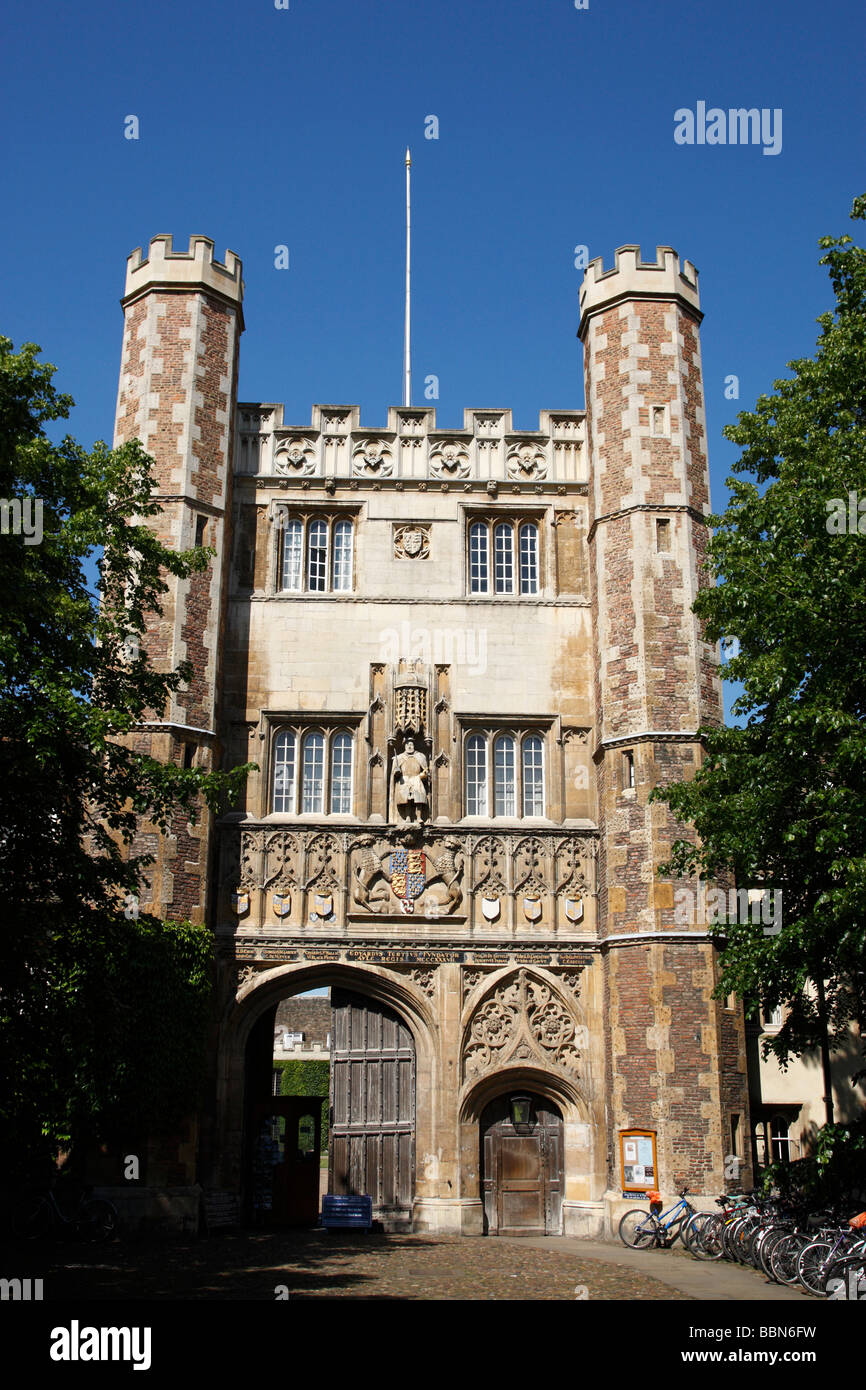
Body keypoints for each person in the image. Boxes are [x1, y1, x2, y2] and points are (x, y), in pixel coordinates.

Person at [391, 738, 428, 821]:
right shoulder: (400, 757)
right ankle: (407, 817)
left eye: (411, 744)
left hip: (416, 779)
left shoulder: (420, 756)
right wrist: (397, 772)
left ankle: (419, 817)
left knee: (419, 798)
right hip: (405, 779)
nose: (410, 746)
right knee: (407, 799)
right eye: (408, 745)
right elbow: (394, 772)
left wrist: (424, 774)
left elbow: (425, 770)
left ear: (414, 746)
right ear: (405, 746)